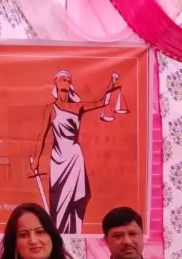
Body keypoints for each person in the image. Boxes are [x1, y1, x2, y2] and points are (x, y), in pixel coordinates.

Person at [33, 70, 122, 234]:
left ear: (70, 84)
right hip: (58, 159)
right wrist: (36, 160)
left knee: (78, 196)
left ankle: (74, 232)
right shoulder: (50, 110)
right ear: (56, 85)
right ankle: (58, 233)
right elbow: (41, 136)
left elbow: (102, 102)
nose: (64, 82)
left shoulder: (77, 107)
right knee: (59, 198)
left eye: (67, 80)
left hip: (75, 157)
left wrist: (112, 83)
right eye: (61, 80)